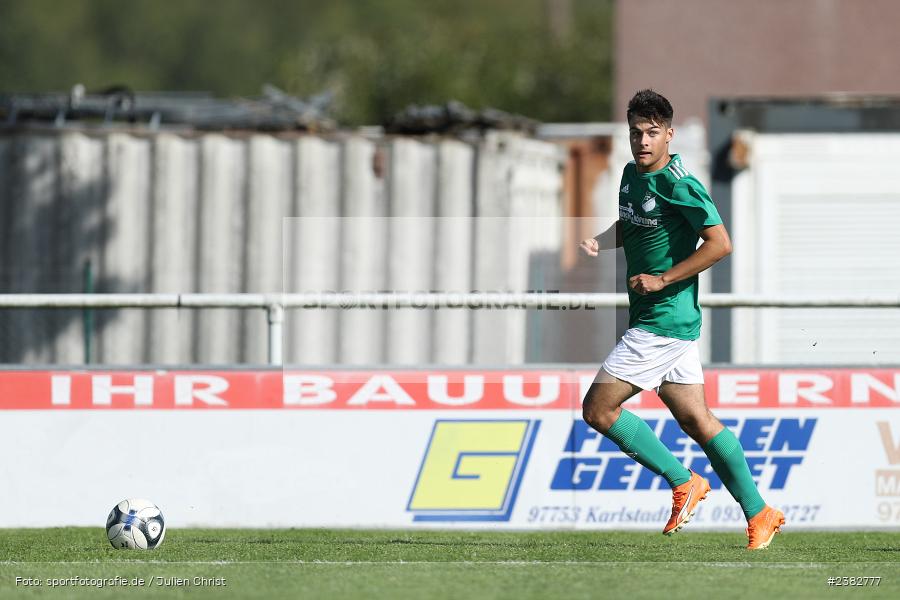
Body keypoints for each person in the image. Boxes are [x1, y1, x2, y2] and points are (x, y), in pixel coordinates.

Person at [579, 89, 784, 550]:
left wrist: (664, 278)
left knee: (598, 409)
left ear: (670, 134)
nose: (643, 141)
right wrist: (600, 240)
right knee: (697, 420)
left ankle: (682, 480)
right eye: (636, 133)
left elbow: (719, 243)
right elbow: (631, 224)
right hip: (660, 319)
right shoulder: (631, 176)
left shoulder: (680, 184)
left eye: (653, 133)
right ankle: (760, 512)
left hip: (662, 321)